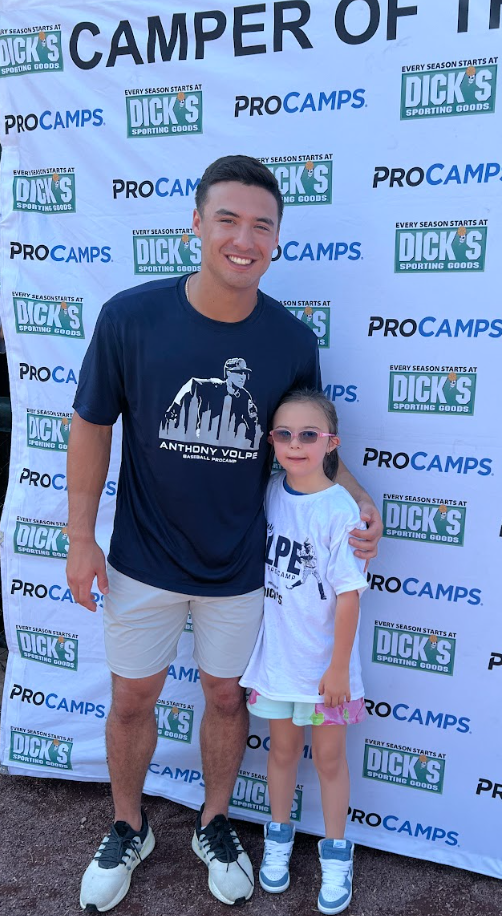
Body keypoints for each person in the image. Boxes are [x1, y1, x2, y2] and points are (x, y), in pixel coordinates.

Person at [67, 155, 382, 913]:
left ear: (277, 241)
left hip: (241, 569)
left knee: (227, 700)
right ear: (197, 225)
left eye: (261, 226)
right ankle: (126, 824)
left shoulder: (290, 341)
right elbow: (90, 426)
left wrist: (362, 502)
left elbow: (310, 446)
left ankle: (215, 823)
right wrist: (80, 537)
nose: (244, 239)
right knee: (133, 700)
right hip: (141, 559)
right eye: (228, 220)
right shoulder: (130, 317)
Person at [240, 389, 368, 916]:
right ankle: (278, 839)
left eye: (309, 435)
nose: (296, 444)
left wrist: (338, 667)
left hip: (326, 673)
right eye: (285, 435)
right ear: (271, 441)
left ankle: (336, 853)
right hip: (277, 666)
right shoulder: (268, 493)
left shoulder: (339, 509)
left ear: (330, 443)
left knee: (331, 760)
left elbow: (348, 596)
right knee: (282, 754)